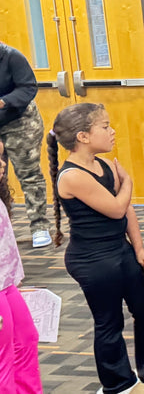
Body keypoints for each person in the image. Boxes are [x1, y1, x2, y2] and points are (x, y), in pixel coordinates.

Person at [48, 103, 144, 394]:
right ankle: (119, 384)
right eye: (104, 126)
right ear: (83, 137)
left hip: (119, 251)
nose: (112, 131)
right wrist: (128, 182)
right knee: (109, 322)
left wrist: (139, 248)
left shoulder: (105, 165)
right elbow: (115, 208)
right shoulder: (72, 176)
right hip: (93, 260)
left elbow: (127, 211)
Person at [0, 139, 42, 393]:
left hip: (6, 283)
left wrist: (15, 278)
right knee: (3, 357)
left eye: (2, 156)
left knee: (27, 340)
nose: (2, 164)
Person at [0, 42, 51, 248]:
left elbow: (28, 87)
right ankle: (4, 227)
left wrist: (3, 101)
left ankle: (39, 226)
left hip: (19, 121)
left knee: (28, 174)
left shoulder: (11, 56)